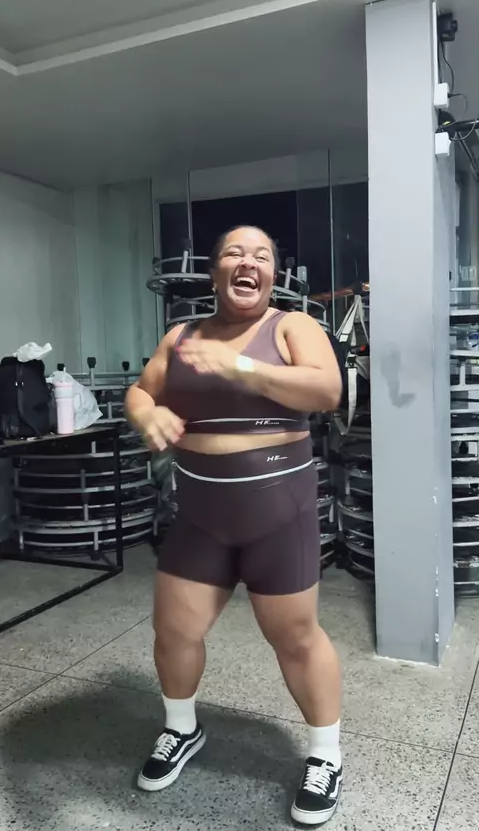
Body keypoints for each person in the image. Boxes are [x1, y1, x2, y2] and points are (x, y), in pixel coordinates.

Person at [125, 226, 343, 826]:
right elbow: (140, 391)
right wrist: (149, 414)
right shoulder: (182, 336)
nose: (248, 262)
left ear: (273, 274)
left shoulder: (292, 326)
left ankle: (326, 755)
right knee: (174, 631)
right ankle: (181, 728)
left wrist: (242, 366)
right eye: (234, 253)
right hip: (201, 515)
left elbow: (327, 389)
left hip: (279, 514)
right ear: (215, 271)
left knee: (295, 639)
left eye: (261, 256)